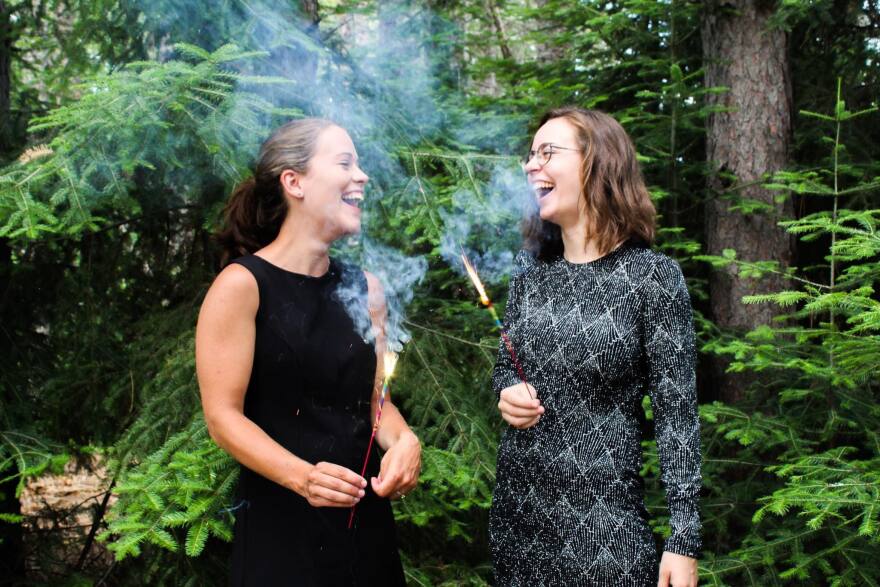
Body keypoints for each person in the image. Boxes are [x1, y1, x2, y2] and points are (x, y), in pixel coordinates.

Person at [195, 118, 421, 586]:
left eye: (359, 164)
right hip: (283, 534)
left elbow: (375, 399)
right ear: (293, 182)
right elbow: (222, 417)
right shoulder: (242, 286)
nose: (362, 176)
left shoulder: (367, 288)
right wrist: (303, 478)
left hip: (367, 532)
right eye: (344, 163)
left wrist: (403, 441)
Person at [489, 107, 702, 587]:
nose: (530, 165)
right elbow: (506, 366)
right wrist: (508, 391)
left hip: (604, 538)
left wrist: (683, 540)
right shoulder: (530, 276)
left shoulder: (653, 278)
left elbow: (677, 417)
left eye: (548, 152)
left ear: (596, 163)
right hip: (517, 530)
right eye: (530, 154)